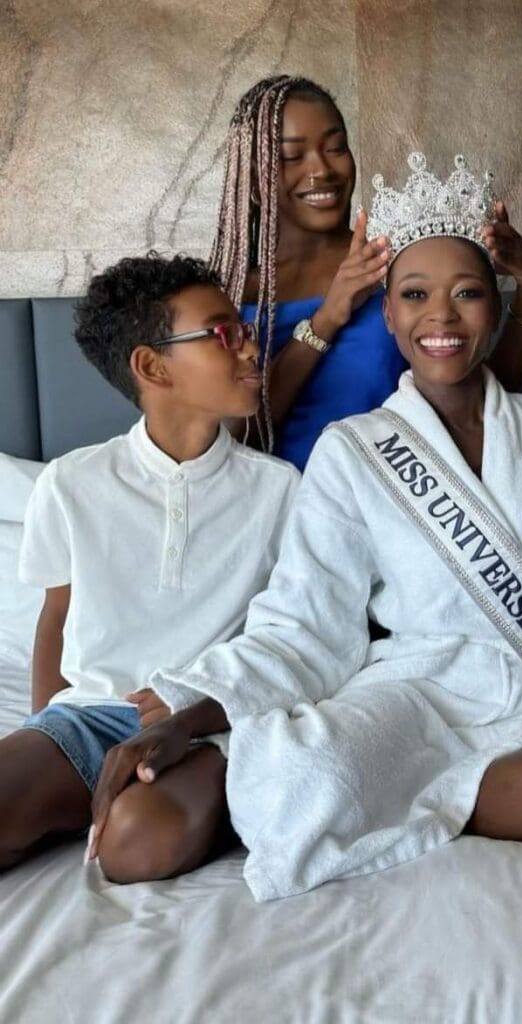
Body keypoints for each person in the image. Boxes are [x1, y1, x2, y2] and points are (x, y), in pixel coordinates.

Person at [89, 154, 522, 900]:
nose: (442, 316)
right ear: (391, 315)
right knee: (303, 770)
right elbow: (305, 623)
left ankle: (408, 799)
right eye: (414, 294)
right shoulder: (354, 448)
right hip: (422, 700)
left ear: (495, 307)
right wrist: (187, 714)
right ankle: (439, 792)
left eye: (467, 293)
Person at [1, 254, 299, 882]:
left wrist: (201, 714)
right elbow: (57, 615)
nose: (251, 347)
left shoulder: (280, 491)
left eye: (243, 329)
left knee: (137, 846)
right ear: (153, 366)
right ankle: (68, 800)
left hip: (202, 722)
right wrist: (43, 732)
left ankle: (121, 809)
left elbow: (293, 634)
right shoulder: (71, 482)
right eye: (224, 334)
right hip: (87, 716)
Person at [210, 74, 522, 469]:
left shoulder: (397, 263)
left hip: (391, 497)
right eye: (292, 156)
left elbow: (486, 407)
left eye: (336, 148)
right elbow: (231, 439)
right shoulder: (228, 294)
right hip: (273, 502)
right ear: (253, 181)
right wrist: (327, 318)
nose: (322, 169)